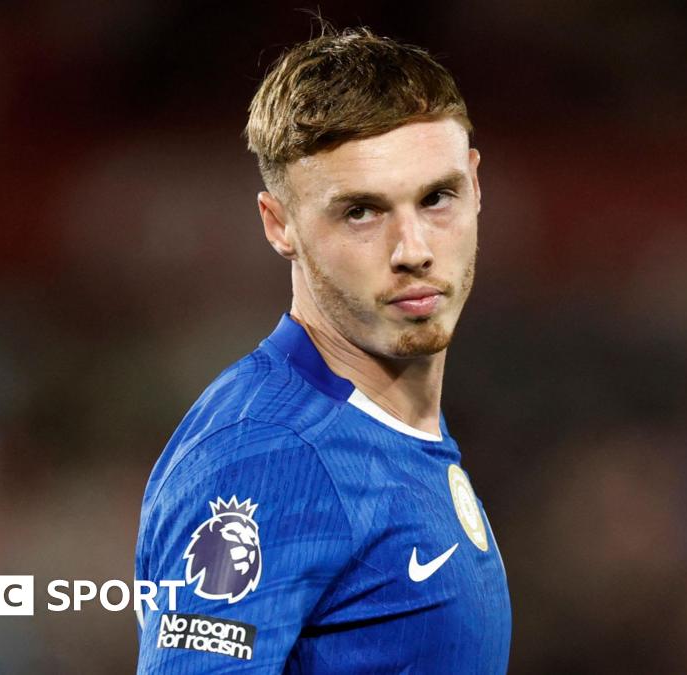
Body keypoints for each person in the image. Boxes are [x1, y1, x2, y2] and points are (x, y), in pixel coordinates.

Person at [133, 26, 511, 673]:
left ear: (475, 185)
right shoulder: (267, 457)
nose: (413, 249)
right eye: (361, 211)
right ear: (279, 223)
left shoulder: (386, 430)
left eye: (436, 198)